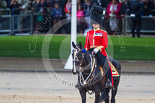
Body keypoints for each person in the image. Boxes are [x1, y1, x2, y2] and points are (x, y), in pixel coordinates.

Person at [75, 6, 113, 89]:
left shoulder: (103, 33)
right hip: (90, 51)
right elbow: (86, 45)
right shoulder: (89, 33)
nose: (94, 25)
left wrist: (98, 48)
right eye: (93, 23)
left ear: (99, 23)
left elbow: (105, 44)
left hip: (99, 51)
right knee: (81, 63)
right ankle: (80, 82)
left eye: (96, 23)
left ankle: (110, 81)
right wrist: (82, 50)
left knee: (106, 65)